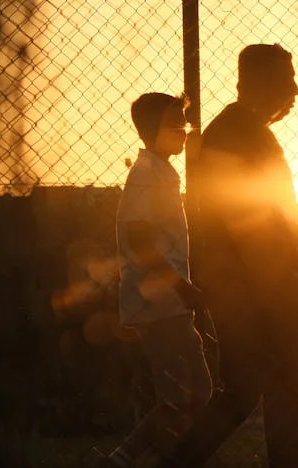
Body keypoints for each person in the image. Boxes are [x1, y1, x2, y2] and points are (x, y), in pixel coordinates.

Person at [158, 43, 298, 468]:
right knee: (275, 396)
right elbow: (244, 220)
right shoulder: (238, 134)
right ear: (260, 83)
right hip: (261, 290)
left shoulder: (240, 131)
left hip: (249, 288)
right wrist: (277, 286)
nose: (295, 90)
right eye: (287, 80)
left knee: (245, 393)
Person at [96, 92, 212, 468]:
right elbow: (139, 240)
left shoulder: (160, 172)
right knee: (182, 397)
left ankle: (156, 456)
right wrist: (181, 287)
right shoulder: (146, 175)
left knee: (196, 393)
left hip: (167, 302)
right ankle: (122, 459)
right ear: (150, 130)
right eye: (174, 124)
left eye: (184, 123)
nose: (183, 131)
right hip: (158, 303)